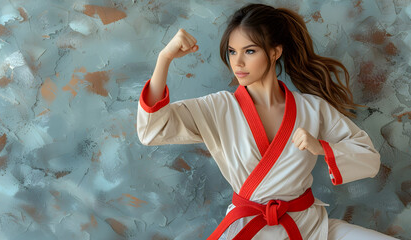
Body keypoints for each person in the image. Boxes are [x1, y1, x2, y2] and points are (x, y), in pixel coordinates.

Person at [137, 3, 397, 240]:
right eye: (232, 51)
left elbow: (369, 157)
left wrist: (321, 148)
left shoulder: (312, 108)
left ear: (275, 52)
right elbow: (152, 129)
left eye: (249, 51)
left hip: (309, 226)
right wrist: (165, 59)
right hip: (251, 228)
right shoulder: (217, 108)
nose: (237, 62)